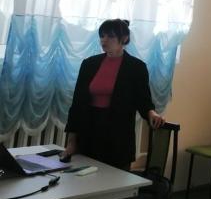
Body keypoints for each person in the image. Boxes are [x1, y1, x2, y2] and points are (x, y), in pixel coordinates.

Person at [62, 19, 164, 170]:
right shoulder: (89, 64)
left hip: (118, 136)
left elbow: (143, 101)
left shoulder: (136, 67)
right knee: (82, 179)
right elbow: (77, 105)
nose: (104, 40)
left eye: (110, 36)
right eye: (102, 36)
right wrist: (71, 142)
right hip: (89, 131)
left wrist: (151, 113)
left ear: (124, 39)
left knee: (114, 180)